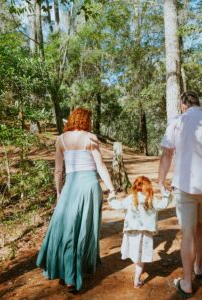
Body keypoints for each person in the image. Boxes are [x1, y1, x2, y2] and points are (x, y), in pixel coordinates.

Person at [158, 91, 202, 298]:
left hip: (184, 185)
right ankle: (198, 266)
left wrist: (160, 181)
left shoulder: (176, 122)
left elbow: (166, 154)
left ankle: (187, 282)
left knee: (188, 232)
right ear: (199, 103)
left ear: (183, 105)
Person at [36, 108, 115, 292]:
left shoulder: (61, 139)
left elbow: (58, 170)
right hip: (88, 186)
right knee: (84, 229)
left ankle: (67, 273)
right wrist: (111, 188)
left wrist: (58, 192)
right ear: (86, 120)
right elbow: (100, 165)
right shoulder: (90, 137)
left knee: (67, 229)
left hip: (70, 188)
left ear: (71, 119)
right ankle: (79, 270)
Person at [107, 176, 172, 288]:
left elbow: (118, 205)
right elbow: (163, 204)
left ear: (135, 187)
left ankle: (137, 273)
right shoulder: (151, 199)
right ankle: (136, 281)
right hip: (145, 233)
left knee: (135, 253)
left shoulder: (131, 198)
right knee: (141, 258)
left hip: (132, 232)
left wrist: (111, 197)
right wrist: (166, 194)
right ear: (149, 188)